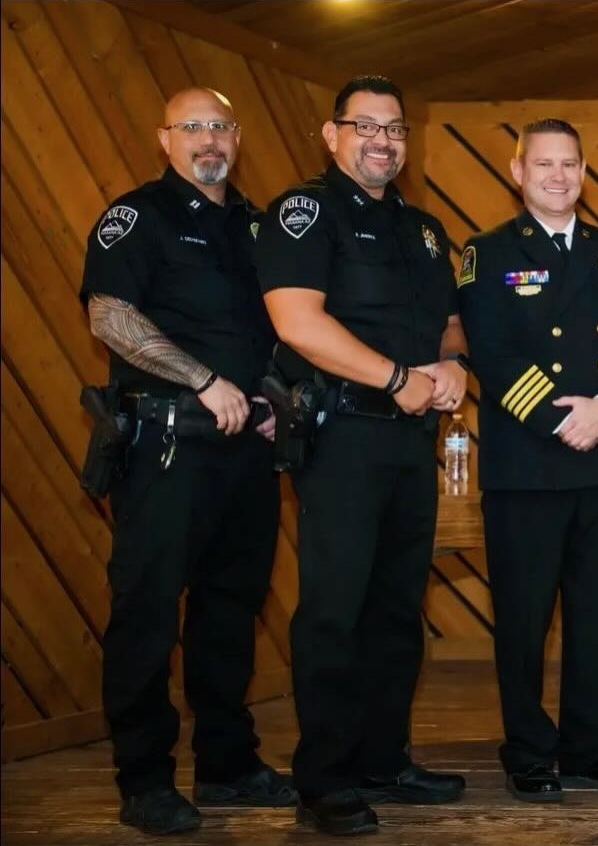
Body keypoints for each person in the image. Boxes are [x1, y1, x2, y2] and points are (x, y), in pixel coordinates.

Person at [254, 75, 468, 835]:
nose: (383, 140)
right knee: (334, 615)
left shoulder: (425, 230)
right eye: (366, 126)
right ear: (332, 133)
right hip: (342, 436)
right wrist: (398, 378)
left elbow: (447, 321)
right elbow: (297, 323)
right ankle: (324, 778)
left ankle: (385, 757)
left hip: (411, 442)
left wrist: (451, 367)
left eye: (395, 129)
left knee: (395, 613)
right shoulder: (304, 213)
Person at [80, 87, 295, 836]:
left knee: (230, 611)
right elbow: (108, 314)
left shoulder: (258, 223)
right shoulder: (138, 216)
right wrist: (205, 381)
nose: (209, 140)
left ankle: (228, 763)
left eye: (219, 127)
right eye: (192, 127)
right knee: (146, 614)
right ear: (164, 138)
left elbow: (278, 328)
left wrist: (272, 393)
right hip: (166, 444)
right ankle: (143, 781)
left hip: (245, 451)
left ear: (237, 136)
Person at [455, 118, 598, 803]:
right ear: (518, 172)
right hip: (529, 461)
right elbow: (491, 350)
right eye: (544, 164)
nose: (558, 175)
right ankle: (528, 751)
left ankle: (594, 749)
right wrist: (560, 417)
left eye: (568, 164)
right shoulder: (486, 254)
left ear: (582, 173)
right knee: (523, 617)